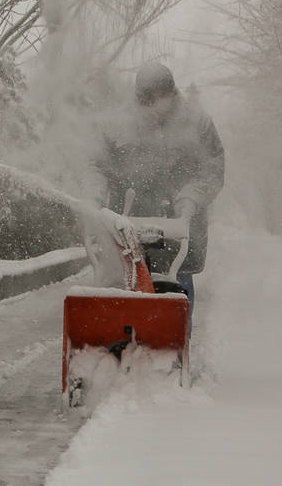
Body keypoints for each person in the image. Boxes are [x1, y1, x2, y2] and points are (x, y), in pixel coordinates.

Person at [96, 61, 225, 320]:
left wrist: (191, 197)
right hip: (128, 228)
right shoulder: (117, 124)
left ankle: (175, 353)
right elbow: (97, 164)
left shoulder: (198, 123)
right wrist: (95, 194)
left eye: (156, 100)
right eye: (145, 102)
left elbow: (212, 169)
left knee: (175, 296)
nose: (151, 108)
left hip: (179, 231)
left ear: (170, 94)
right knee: (126, 302)